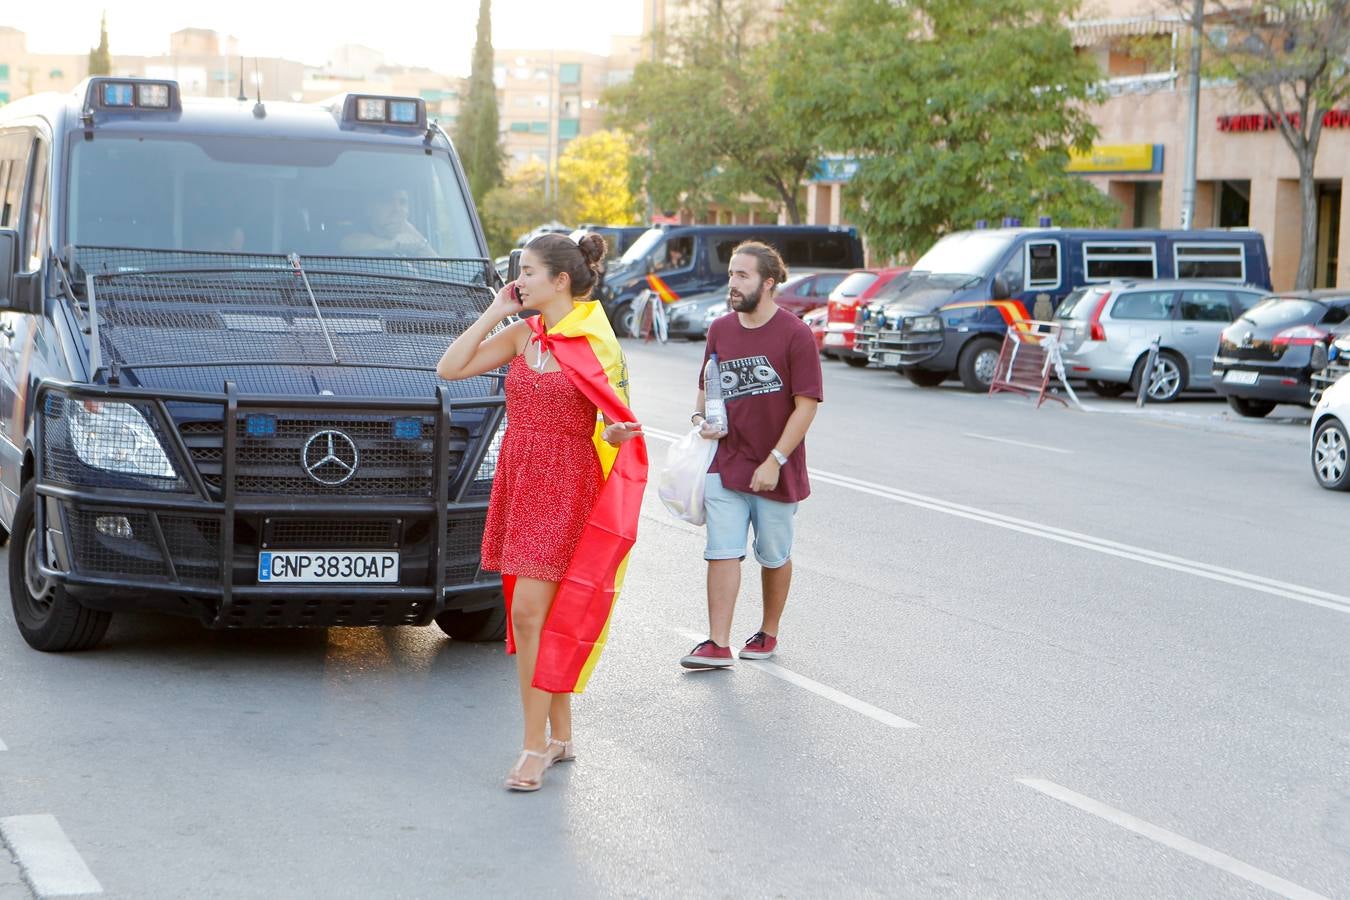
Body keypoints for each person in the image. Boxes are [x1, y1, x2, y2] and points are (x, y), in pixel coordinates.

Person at [436, 233, 647, 792]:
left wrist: (618, 430)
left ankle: (532, 748)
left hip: (569, 486)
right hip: (521, 481)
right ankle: (559, 735)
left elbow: (614, 419)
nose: (519, 280)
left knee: (531, 613)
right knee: (538, 615)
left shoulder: (596, 342)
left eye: (528, 272)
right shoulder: (522, 333)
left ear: (560, 281)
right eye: (518, 272)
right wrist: (496, 309)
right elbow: (450, 368)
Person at [679, 241, 822, 669]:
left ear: (769, 282)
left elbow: (807, 405)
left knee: (773, 555)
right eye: (730, 275)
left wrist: (775, 460)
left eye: (742, 275)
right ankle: (717, 643)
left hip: (776, 468)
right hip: (727, 461)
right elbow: (708, 385)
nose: (733, 284)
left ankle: (768, 631)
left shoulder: (795, 334)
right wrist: (701, 419)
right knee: (721, 550)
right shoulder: (720, 329)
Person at [340, 187, 435, 257]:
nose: (397, 209)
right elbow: (347, 244)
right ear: (369, 208)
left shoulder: (409, 231)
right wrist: (394, 244)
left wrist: (421, 244)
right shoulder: (355, 235)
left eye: (402, 202)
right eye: (387, 201)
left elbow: (443, 270)